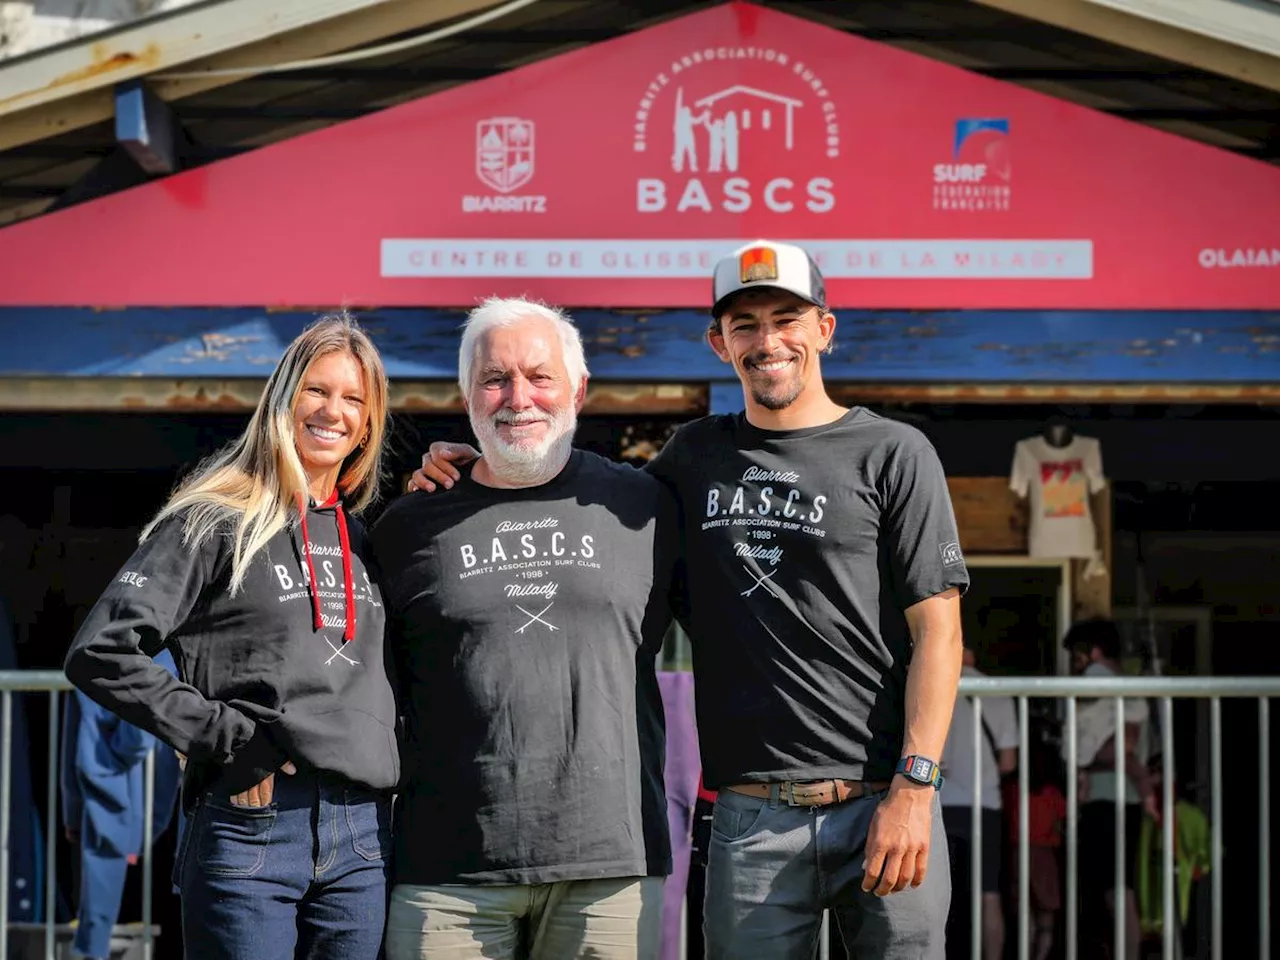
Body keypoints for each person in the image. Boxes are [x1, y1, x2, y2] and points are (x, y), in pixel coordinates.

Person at [412, 240, 968, 958]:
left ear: (824, 330)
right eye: (745, 325)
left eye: (786, 319)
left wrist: (915, 790)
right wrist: (474, 467)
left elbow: (941, 635)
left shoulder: (894, 453)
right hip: (750, 818)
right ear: (718, 343)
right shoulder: (689, 458)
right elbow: (574, 492)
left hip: (884, 804)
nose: (767, 342)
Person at [63, 313, 399, 960]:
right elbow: (100, 652)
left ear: (369, 423)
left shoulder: (366, 540)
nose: (334, 410)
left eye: (354, 398)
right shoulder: (215, 518)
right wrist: (224, 738)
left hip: (363, 840)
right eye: (317, 390)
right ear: (283, 398)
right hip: (253, 826)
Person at [372, 297, 676, 960]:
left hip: (607, 863)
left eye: (540, 376)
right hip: (446, 872)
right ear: (467, 394)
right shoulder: (405, 525)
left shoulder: (644, 507)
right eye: (495, 379)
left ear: (579, 389)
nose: (519, 398)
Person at [1063, 617, 1156, 960]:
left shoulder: (1106, 685)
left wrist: (1085, 762)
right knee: (1110, 889)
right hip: (1110, 799)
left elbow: (1124, 746)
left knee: (1117, 889)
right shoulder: (1125, 690)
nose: (1077, 668)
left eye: (1078, 657)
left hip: (1112, 801)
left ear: (1095, 653)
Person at [940, 640, 1017, 960]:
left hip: (940, 805)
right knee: (989, 894)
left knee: (937, 896)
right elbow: (1009, 763)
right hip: (984, 805)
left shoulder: (935, 686)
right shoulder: (997, 691)